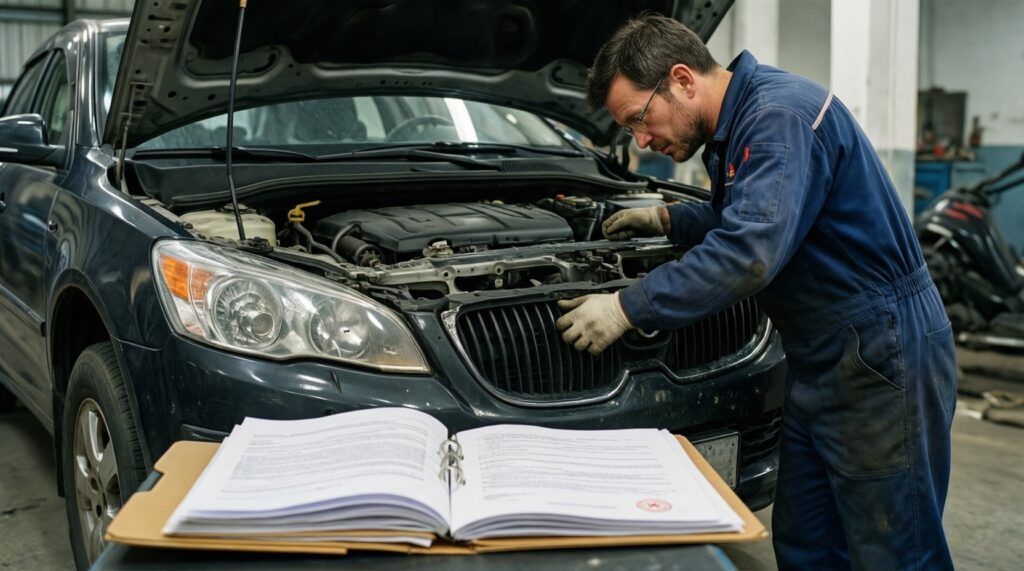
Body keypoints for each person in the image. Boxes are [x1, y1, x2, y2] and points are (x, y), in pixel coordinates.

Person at [556, 13, 957, 571]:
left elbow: (750, 252)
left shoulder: (776, 117)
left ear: (682, 80)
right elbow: (749, 212)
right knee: (807, 544)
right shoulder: (741, 120)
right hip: (825, 354)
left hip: (881, 351)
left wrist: (627, 307)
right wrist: (669, 220)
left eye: (639, 119)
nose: (642, 139)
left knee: (895, 550)